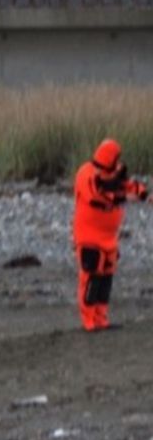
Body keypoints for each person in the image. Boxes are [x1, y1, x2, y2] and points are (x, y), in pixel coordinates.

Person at [72, 138, 149, 332]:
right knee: (91, 277)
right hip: (89, 236)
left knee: (106, 278)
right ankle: (89, 320)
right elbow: (96, 196)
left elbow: (128, 185)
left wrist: (144, 194)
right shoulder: (86, 173)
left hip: (109, 239)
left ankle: (101, 318)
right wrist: (122, 197)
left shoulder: (113, 175)